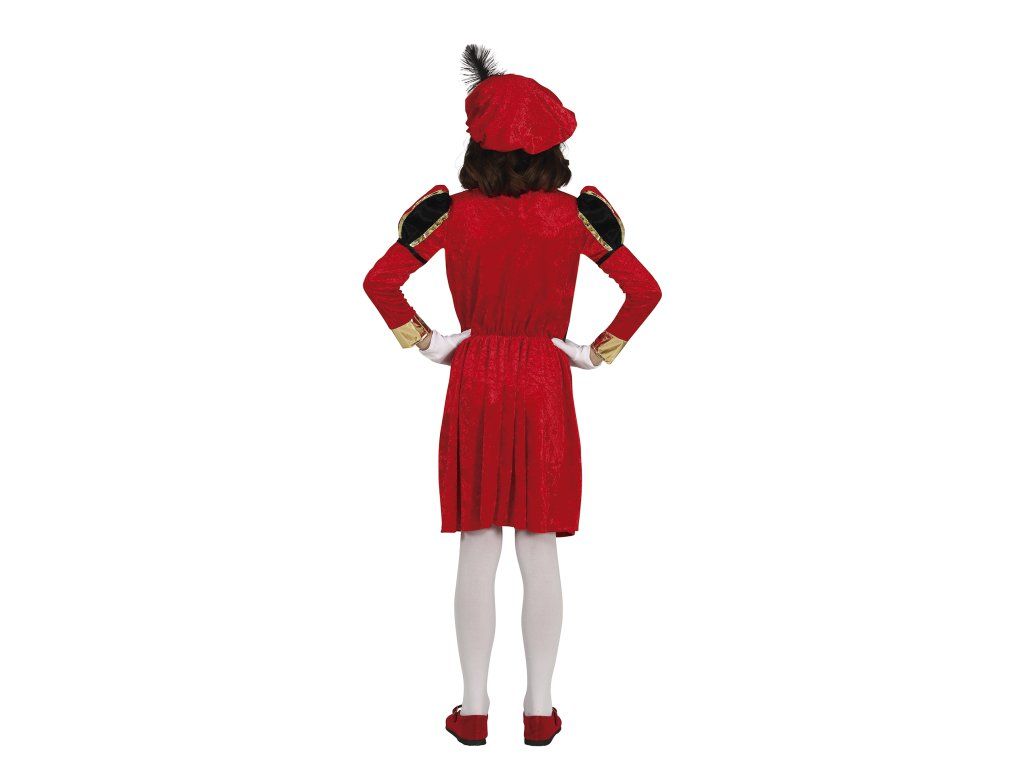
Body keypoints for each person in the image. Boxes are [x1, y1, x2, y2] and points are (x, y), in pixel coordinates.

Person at [363, 45, 662, 746]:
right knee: (539, 544)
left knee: (477, 543)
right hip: (543, 380)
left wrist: (430, 340)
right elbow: (645, 290)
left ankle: (472, 709)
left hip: (476, 378)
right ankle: (539, 707)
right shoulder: (573, 217)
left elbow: (380, 281)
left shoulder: (453, 214)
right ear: (552, 145)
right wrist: (593, 350)